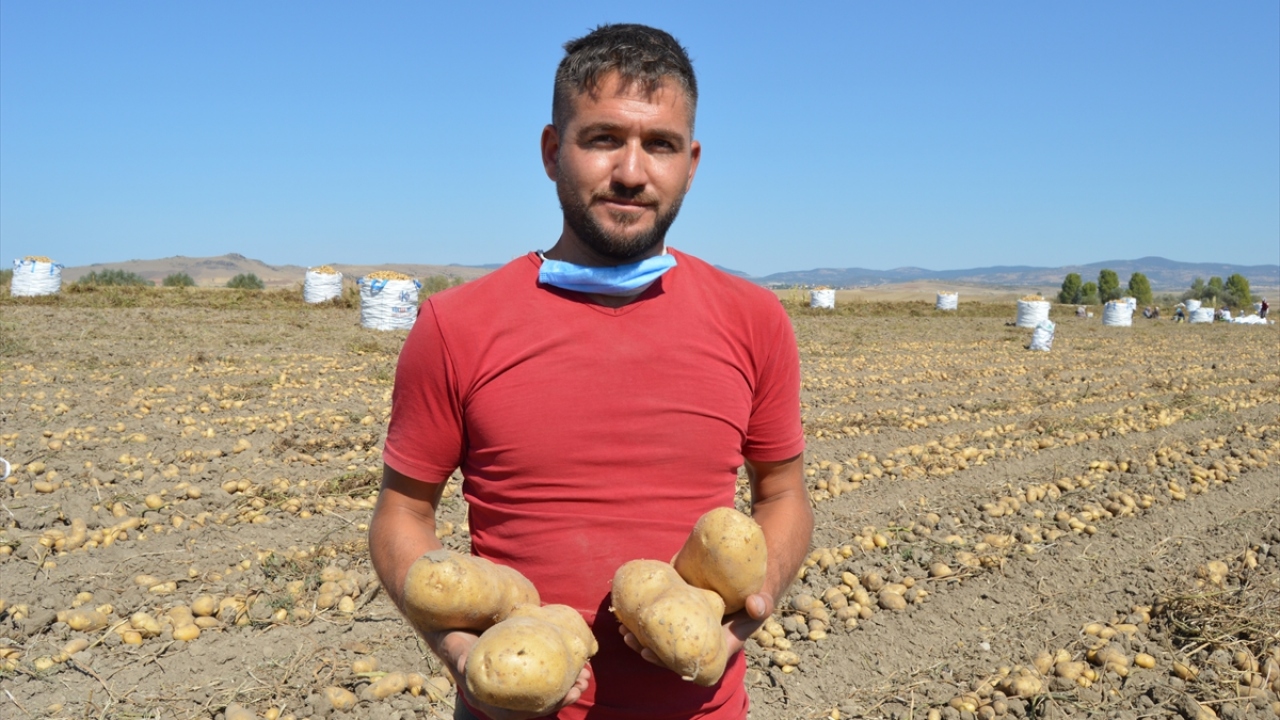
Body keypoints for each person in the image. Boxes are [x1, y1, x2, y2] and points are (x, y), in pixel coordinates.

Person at [368, 24, 812, 720]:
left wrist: (754, 602)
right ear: (553, 151)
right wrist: (456, 648)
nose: (632, 172)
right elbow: (403, 512)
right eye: (604, 138)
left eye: (659, 145)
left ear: (691, 162)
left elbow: (783, 495)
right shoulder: (456, 326)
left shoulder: (753, 319)